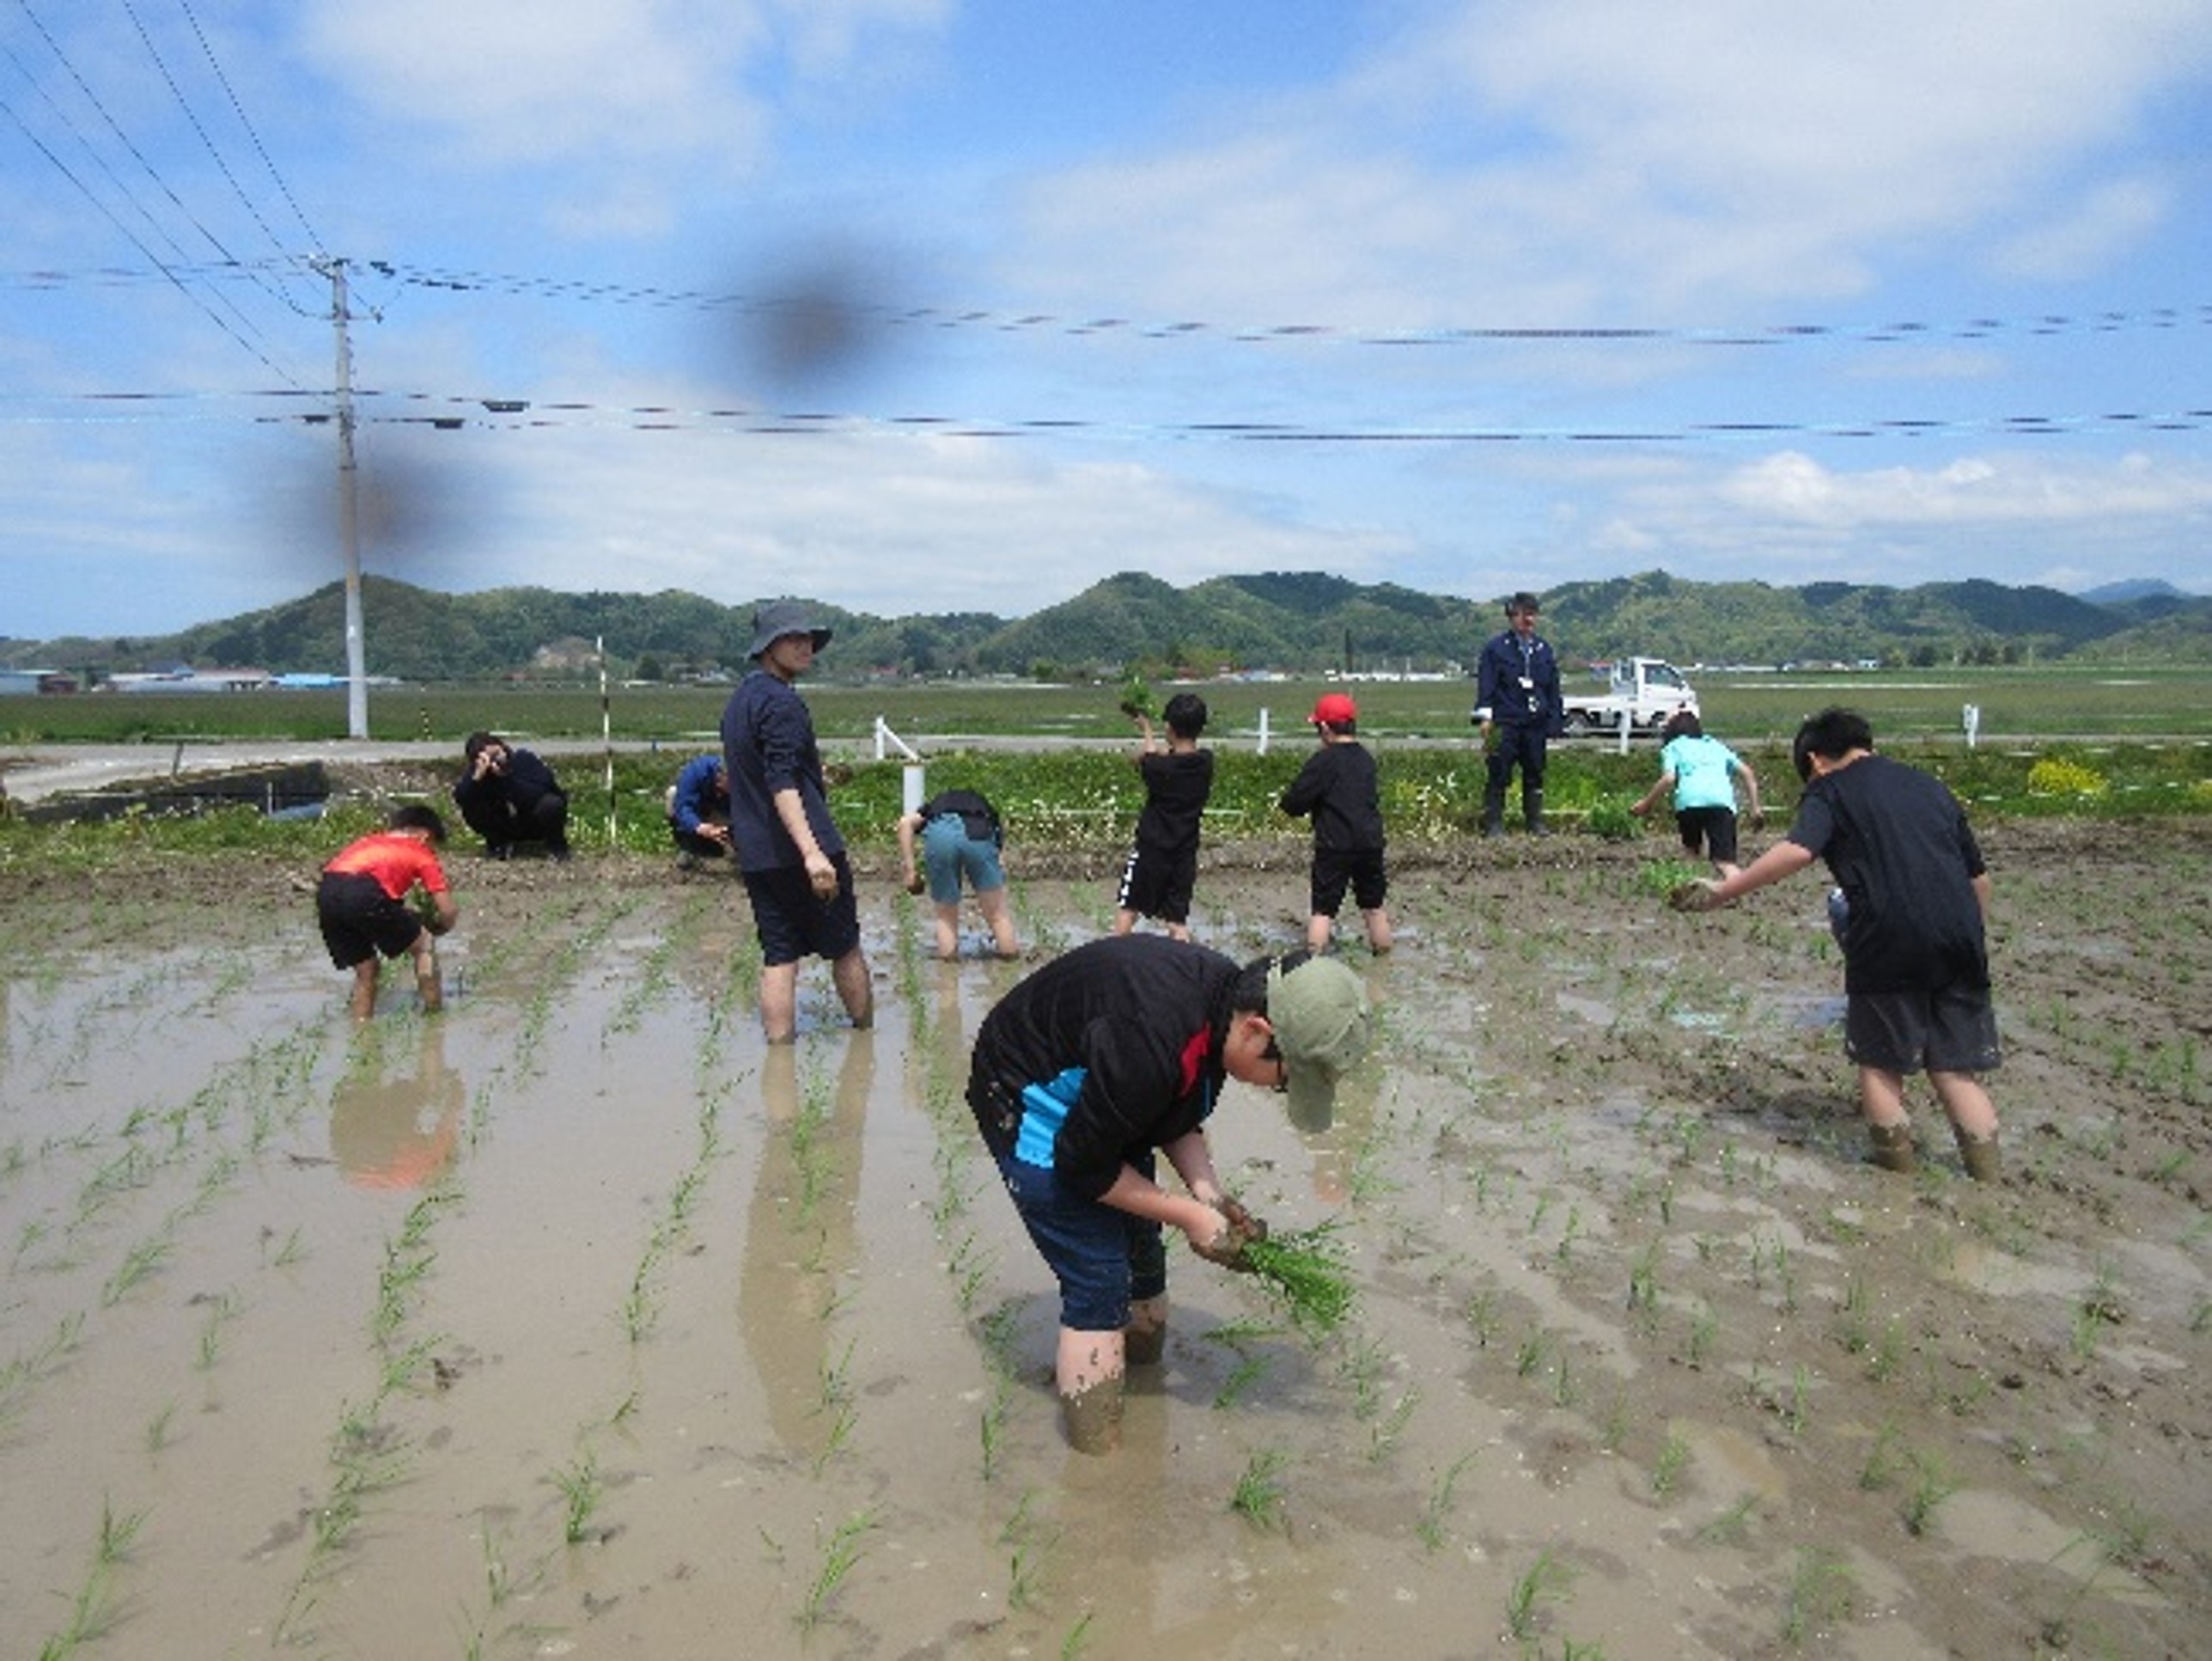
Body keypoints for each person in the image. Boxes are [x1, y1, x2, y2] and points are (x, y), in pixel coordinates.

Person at [966, 937, 1373, 1453]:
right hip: (1027, 1098)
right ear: (1257, 1031)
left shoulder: (1221, 1005)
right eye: (1283, 1081)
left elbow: (1175, 1109)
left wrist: (1208, 1197)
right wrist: (1187, 1217)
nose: (1278, 1091)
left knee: (1143, 1256)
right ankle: (1099, 1470)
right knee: (1099, 1280)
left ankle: (1137, 1381)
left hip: (1105, 1096)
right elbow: (1082, 1165)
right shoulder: (1150, 1043)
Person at [1672, 708, 2002, 1181]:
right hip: (1961, 940)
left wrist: (1726, 890)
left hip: (1889, 941)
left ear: (1815, 760)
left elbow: (1798, 851)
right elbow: (1980, 880)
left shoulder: (1829, 789)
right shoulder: (1929, 786)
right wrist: (1968, 937)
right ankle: (1989, 1181)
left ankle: (1897, 1180)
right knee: (1953, 1071)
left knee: (1880, 1063)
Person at [722, 600, 874, 1043]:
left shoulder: (739, 703)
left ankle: (779, 1058)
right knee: (843, 946)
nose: (804, 646)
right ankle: (865, 1040)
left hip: (757, 853)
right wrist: (811, 852)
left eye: (808, 639)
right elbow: (780, 780)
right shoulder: (781, 702)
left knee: (779, 955)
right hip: (803, 849)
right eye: (792, 639)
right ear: (768, 647)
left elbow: (751, 773)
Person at [315, 803, 458, 1022]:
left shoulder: (366, 842)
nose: (431, 849)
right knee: (424, 945)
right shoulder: (421, 852)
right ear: (424, 835)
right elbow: (447, 910)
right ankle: (434, 1018)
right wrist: (441, 927)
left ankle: (362, 1031)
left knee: (367, 969)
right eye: (432, 844)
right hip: (363, 893)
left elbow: (358, 888)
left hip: (327, 892)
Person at [1279, 691, 1392, 955]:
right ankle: (1385, 961)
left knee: (1323, 910)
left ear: (1326, 728)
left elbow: (1295, 801)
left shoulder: (1324, 760)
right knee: (1374, 907)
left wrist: (1290, 806)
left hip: (1335, 844)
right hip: (1370, 842)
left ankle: (1314, 960)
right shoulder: (1366, 759)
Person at [1112, 691, 1213, 941]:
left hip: (1151, 850)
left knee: (1128, 910)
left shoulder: (1157, 767)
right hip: (1184, 852)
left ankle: (1112, 966)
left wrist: (1146, 729)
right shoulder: (1205, 762)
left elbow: (1149, 759)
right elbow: (1160, 758)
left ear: (1169, 727)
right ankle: (1185, 970)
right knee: (1176, 922)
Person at [1471, 591, 1563, 837]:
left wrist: (1555, 721)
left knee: (1534, 772)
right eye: (1523, 614)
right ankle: (1493, 823)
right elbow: (1486, 686)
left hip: (1535, 723)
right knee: (1499, 771)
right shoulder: (1496, 649)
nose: (1528, 620)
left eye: (1532, 614)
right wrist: (1485, 718)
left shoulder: (1544, 650)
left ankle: (1535, 821)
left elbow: (1553, 689)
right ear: (1512, 617)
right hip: (1505, 721)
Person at [1630, 711, 1764, 879]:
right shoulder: (1715, 745)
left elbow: (1669, 778)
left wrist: (1646, 804)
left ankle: (1691, 893)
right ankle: (1736, 889)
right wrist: (1755, 808)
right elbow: (1747, 773)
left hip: (1689, 803)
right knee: (1724, 862)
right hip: (1721, 803)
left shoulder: (1672, 747)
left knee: (1692, 853)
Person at [897, 786, 1019, 960]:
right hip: (979, 835)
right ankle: (1010, 966)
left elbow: (904, 824)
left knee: (945, 917)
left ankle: (948, 976)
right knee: (997, 915)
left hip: (941, 837)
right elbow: (998, 853)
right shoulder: (988, 814)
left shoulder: (933, 810)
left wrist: (910, 870)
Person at [453, 731, 570, 859]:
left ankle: (557, 847)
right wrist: (476, 779)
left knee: (551, 804)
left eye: (497, 753)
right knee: (473, 806)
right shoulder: (478, 773)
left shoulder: (524, 759)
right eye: (490, 758)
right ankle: (499, 845)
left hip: (533, 820)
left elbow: (540, 791)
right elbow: (461, 799)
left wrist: (505, 778)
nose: (497, 760)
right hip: (504, 824)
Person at [665, 754, 732, 870]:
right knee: (672, 795)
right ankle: (687, 847)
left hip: (724, 813)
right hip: (698, 812)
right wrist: (698, 826)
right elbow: (683, 807)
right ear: (720, 775)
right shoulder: (696, 771)